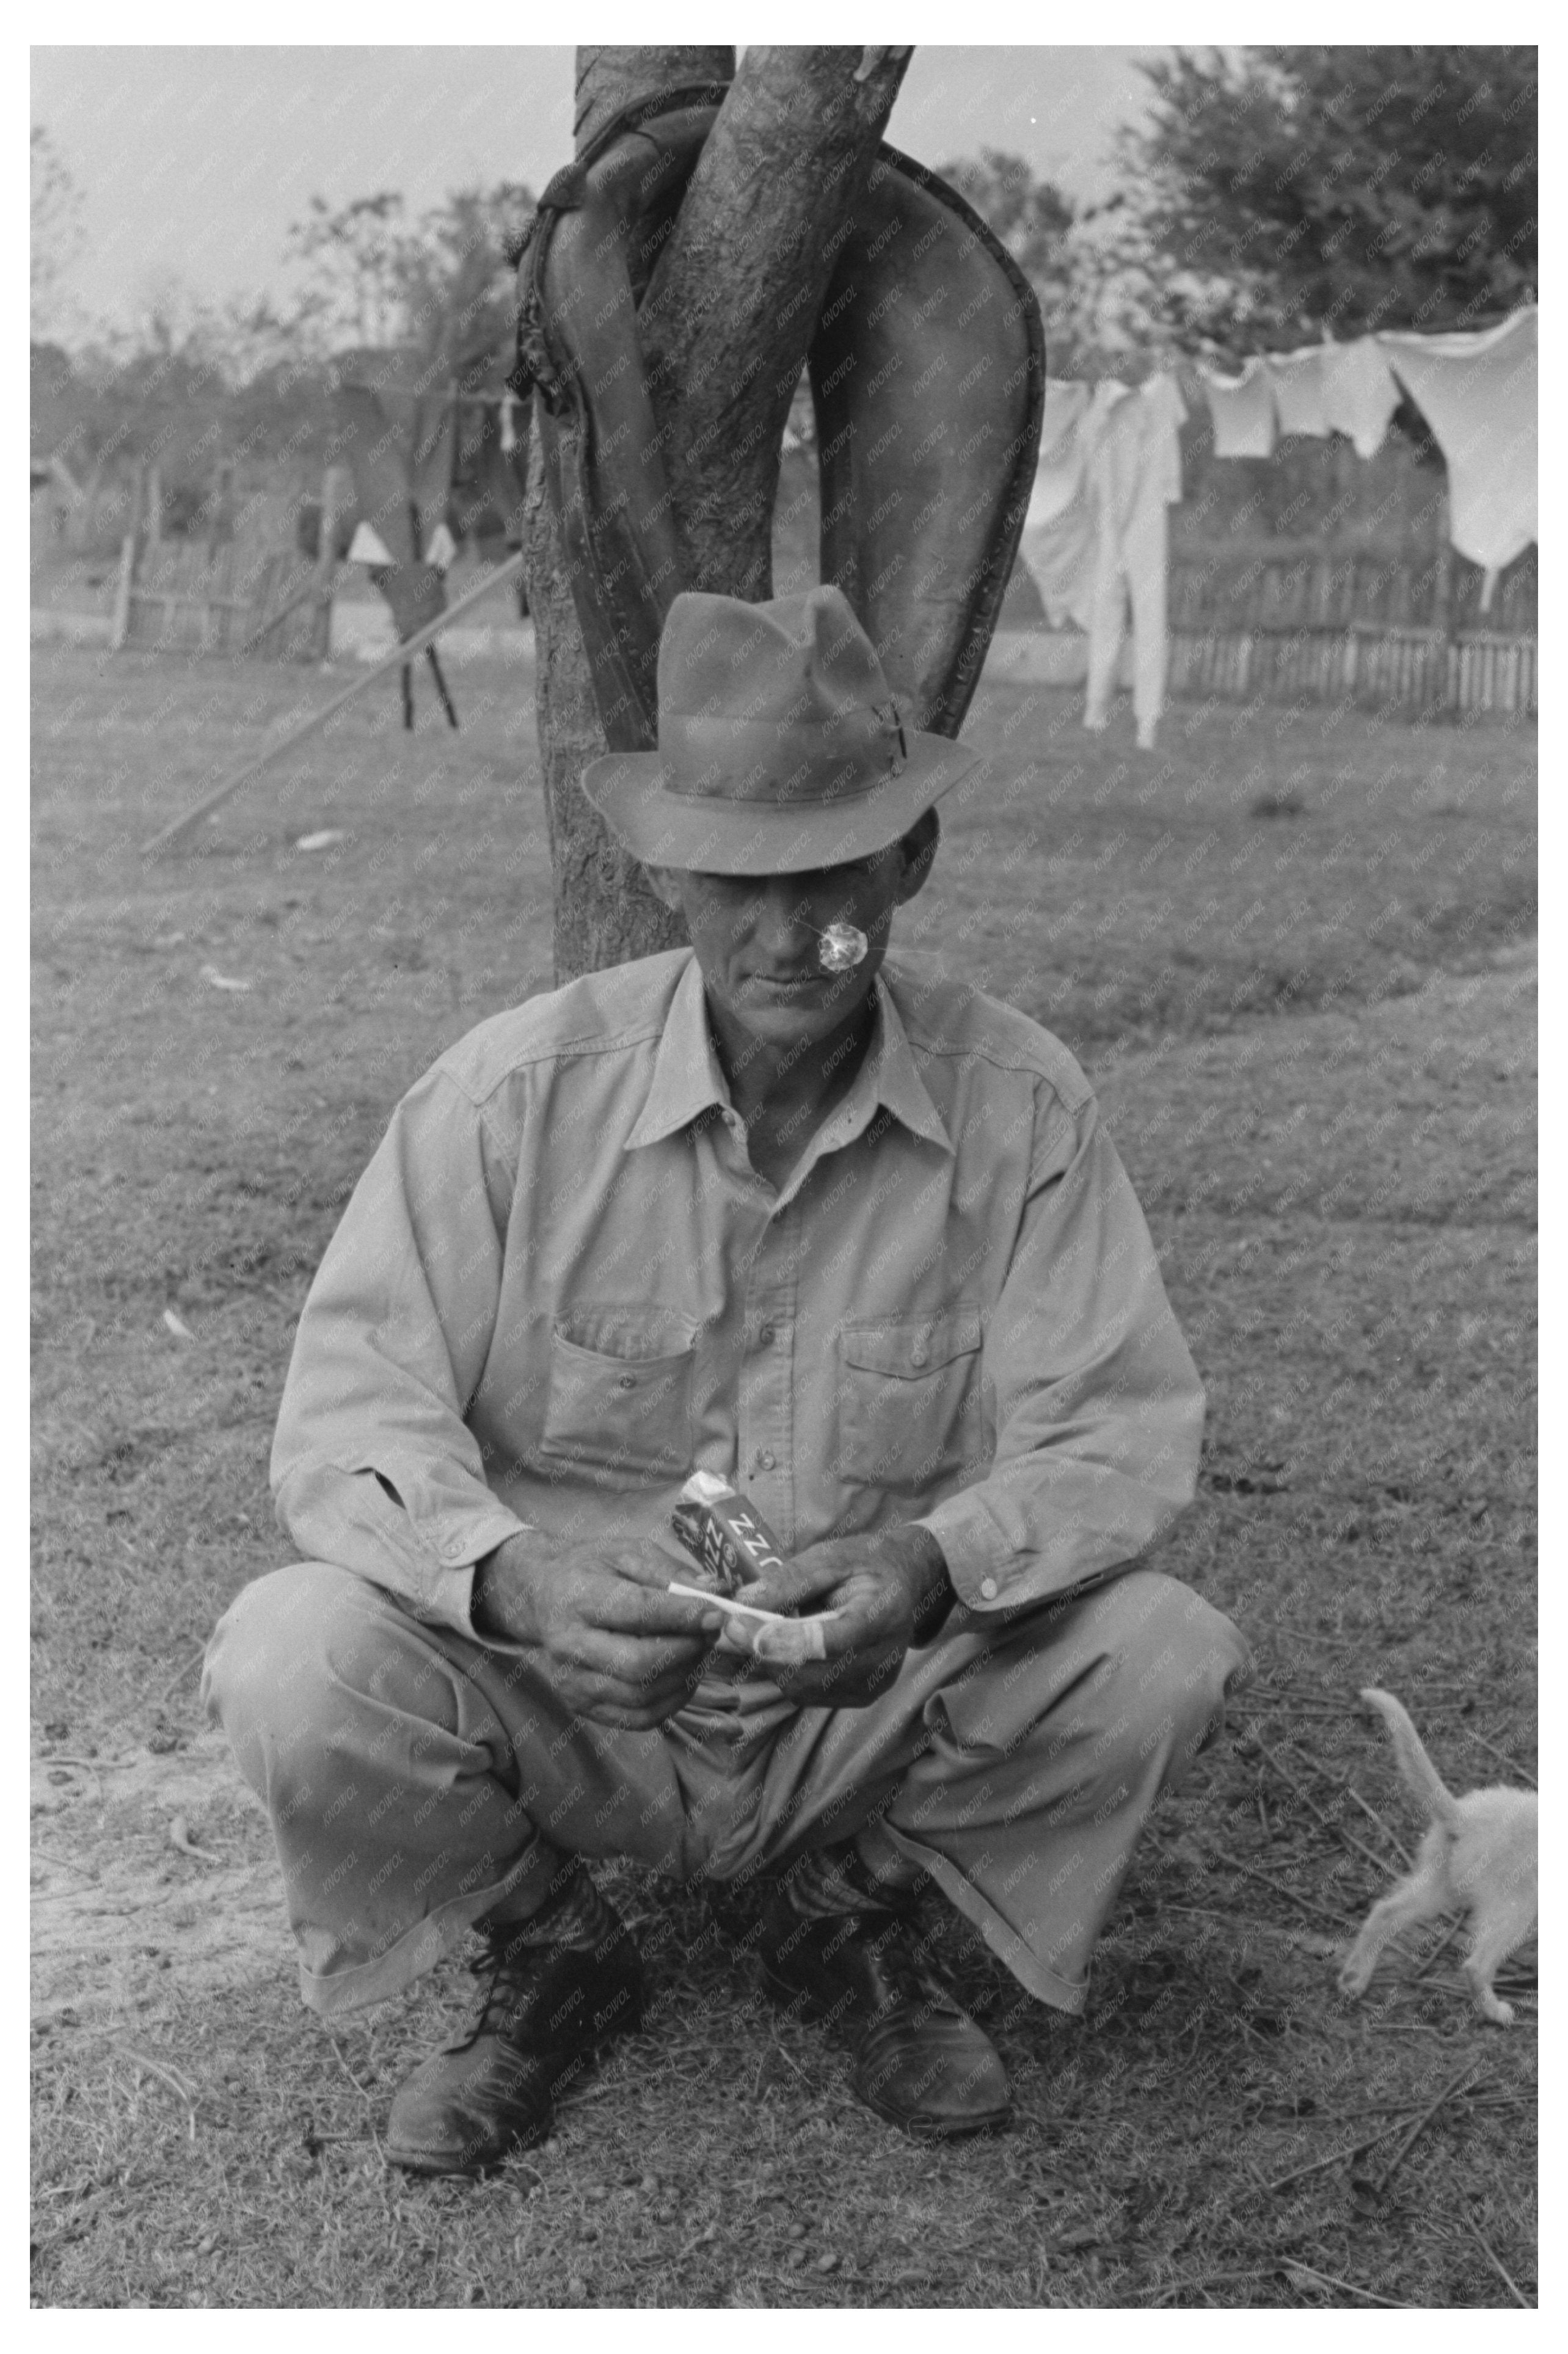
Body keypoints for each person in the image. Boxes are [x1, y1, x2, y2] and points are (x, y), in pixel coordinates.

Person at [205, 583, 1250, 2178]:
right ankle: (548, 1942)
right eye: (740, 880)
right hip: (577, 1708)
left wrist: (923, 1567)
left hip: (868, 1710)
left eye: (832, 876)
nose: (786, 933)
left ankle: (849, 1906)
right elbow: (351, 1419)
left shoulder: (1022, 1108)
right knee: (291, 1657)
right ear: (670, 876)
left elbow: (1116, 1431)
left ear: (911, 862)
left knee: (1162, 1653)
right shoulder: (507, 1099)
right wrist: (522, 1582)